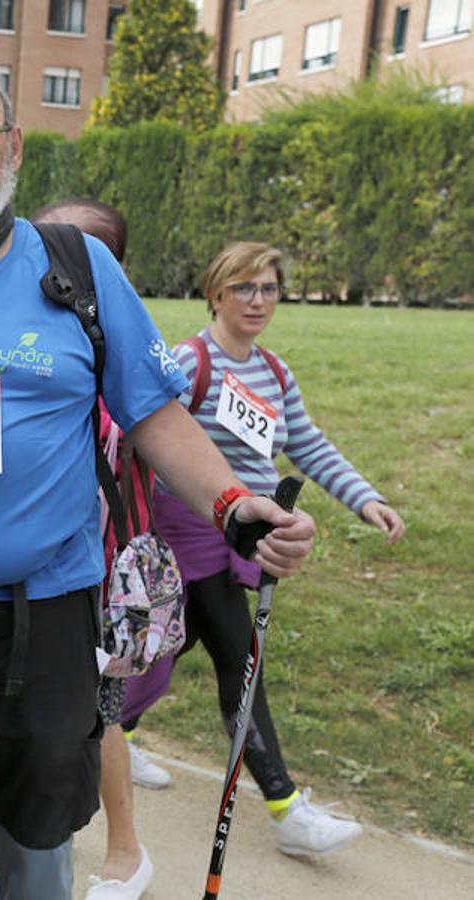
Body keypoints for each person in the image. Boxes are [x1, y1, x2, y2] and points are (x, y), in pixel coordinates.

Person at [0, 72, 316, 900]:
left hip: (40, 610)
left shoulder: (76, 268)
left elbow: (153, 413)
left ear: (13, 147)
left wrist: (235, 506)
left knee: (37, 826)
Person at [119, 241, 405, 858]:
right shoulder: (187, 361)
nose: (257, 300)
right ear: (216, 292)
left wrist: (366, 498)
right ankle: (286, 807)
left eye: (268, 289)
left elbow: (308, 445)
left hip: (241, 536)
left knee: (168, 649)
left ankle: (113, 735)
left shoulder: (274, 372)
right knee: (239, 657)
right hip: (185, 535)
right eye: (243, 287)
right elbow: (145, 433)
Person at [32, 198, 153, 900]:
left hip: (97, 574)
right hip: (36, 572)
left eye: (79, 249)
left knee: (97, 716)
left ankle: (125, 852)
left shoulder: (124, 350)